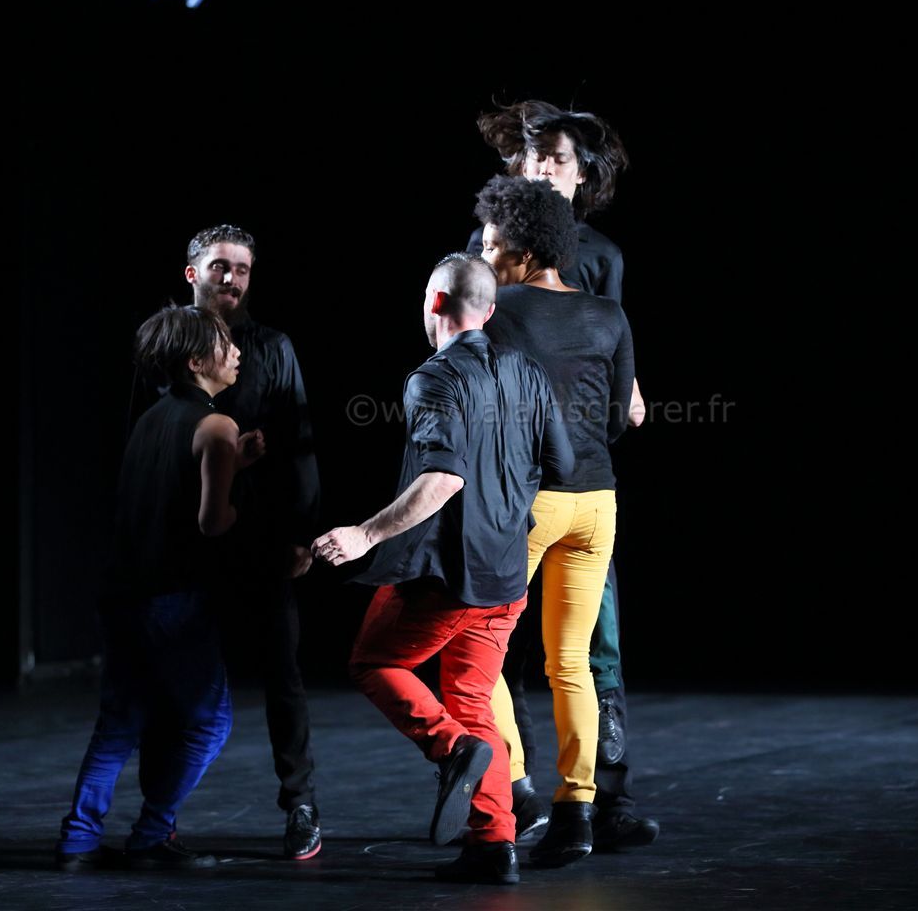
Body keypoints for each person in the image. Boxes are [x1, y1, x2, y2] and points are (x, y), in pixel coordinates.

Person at [311, 254, 571, 885]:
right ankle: (494, 847)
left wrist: (364, 534)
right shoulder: (528, 371)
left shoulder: (434, 378)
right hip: (506, 576)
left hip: (444, 580)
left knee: (374, 663)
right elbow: (561, 465)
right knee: (473, 702)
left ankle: (451, 749)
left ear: (433, 302)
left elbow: (444, 477)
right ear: (489, 310)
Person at [469, 101, 659, 850]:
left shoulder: (601, 258)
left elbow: (608, 358)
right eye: (534, 155)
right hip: (570, 483)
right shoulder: (489, 248)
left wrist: (618, 394)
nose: (543, 166)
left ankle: (597, 799)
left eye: (557, 156)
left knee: (582, 646)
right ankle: (525, 798)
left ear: (583, 175)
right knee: (524, 650)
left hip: (550, 486)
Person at [56, 305, 262, 871]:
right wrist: (246, 512)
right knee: (209, 723)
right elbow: (211, 523)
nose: (236, 352)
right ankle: (151, 834)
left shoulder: (150, 420)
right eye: (224, 344)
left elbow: (169, 491)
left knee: (119, 724)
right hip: (175, 599)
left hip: (123, 593)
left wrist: (233, 465)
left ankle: (78, 841)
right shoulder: (217, 425)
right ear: (196, 362)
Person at [183, 224, 324, 859]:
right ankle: (162, 813)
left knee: (282, 675)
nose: (231, 279)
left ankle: (301, 802)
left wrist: (302, 532)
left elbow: (299, 444)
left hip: (263, 534)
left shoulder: (272, 347)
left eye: (241, 269)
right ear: (193, 273)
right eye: (220, 266)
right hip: (186, 538)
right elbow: (140, 436)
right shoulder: (166, 342)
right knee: (177, 675)